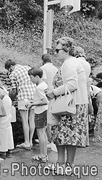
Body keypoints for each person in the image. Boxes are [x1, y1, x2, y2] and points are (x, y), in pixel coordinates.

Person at [46, 37, 88, 174]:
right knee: (69, 137)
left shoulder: (69, 64)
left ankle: (63, 165)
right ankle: (67, 165)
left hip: (69, 106)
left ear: (66, 50)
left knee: (63, 135)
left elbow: (71, 85)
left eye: (57, 50)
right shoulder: (73, 62)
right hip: (75, 104)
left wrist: (53, 92)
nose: (55, 53)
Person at [5, 59, 36, 150]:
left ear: (10, 67)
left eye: (8, 69)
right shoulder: (27, 67)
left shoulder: (13, 73)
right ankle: (30, 141)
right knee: (32, 119)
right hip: (34, 96)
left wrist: (10, 100)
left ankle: (26, 142)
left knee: (25, 120)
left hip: (24, 97)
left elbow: (14, 90)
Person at [27, 67, 49, 163]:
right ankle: (44, 154)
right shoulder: (44, 84)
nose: (30, 79)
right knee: (43, 134)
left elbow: (44, 101)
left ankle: (42, 155)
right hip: (45, 111)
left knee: (40, 134)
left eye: (31, 77)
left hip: (40, 112)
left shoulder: (39, 87)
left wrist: (32, 104)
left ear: (37, 76)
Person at [40, 54, 58, 152]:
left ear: (43, 60)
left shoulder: (43, 68)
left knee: (47, 119)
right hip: (55, 93)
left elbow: (44, 80)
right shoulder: (56, 68)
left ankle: (48, 140)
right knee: (54, 117)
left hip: (47, 94)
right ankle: (52, 139)